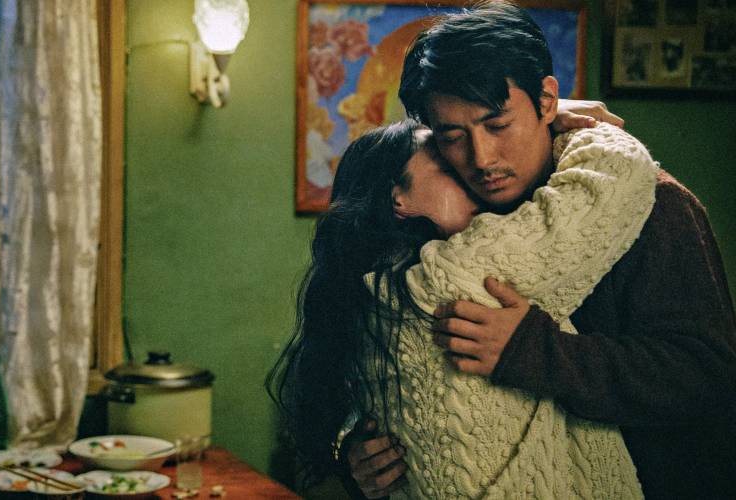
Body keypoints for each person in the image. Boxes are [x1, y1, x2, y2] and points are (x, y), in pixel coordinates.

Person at [347, 2, 736, 499]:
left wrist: (540, 352)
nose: (482, 158)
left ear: (547, 101)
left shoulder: (651, 205)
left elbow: (709, 374)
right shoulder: (451, 222)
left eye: (498, 125)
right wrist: (355, 447)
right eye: (453, 137)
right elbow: (384, 361)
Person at [269, 112, 660, 498]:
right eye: (447, 167)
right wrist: (545, 120)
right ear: (397, 198)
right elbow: (616, 174)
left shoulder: (371, 293)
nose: (474, 175)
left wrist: (347, 449)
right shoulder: (454, 274)